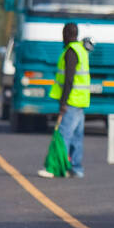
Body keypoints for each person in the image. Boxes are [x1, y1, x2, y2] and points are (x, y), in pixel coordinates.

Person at [39, 22, 88, 179]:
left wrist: (63, 102)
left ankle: (56, 168)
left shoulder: (70, 52)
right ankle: (76, 169)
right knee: (76, 136)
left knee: (63, 135)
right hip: (81, 101)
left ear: (65, 34)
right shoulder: (81, 50)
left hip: (72, 101)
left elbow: (69, 80)